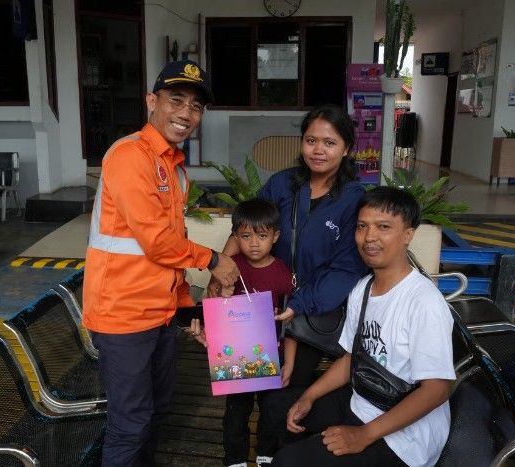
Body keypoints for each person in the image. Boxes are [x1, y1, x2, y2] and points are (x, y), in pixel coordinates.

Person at [82, 59, 239, 467]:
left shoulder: (175, 168)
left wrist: (186, 308)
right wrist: (215, 260)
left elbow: (173, 250)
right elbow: (156, 243)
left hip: (160, 313)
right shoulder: (130, 155)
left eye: (196, 106)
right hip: (123, 315)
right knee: (130, 423)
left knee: (157, 410)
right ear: (152, 101)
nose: (187, 113)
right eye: (176, 100)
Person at [271, 186, 456, 467]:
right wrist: (309, 396)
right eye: (362, 226)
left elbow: (437, 390)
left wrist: (363, 435)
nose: (369, 237)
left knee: (287, 462)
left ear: (408, 234)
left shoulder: (424, 302)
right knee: (278, 408)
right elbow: (351, 358)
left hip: (406, 439)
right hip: (364, 398)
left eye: (384, 227)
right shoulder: (363, 289)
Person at [208, 103, 368, 392]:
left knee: (284, 390)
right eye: (311, 140)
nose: (318, 150)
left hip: (313, 310)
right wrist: (221, 270)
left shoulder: (354, 200)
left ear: (346, 149)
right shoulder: (282, 183)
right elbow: (245, 228)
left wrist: (299, 303)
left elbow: (346, 269)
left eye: (329, 143)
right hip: (261, 300)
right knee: (240, 380)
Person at [220, 198, 296, 467]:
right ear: (235, 237)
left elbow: (291, 324)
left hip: (272, 355)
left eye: (262, 236)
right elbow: (219, 313)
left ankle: (266, 455)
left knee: (272, 410)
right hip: (237, 357)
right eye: (245, 236)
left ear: (275, 236)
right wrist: (222, 295)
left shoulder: (282, 274)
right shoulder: (230, 269)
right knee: (236, 411)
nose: (254, 243)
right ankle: (235, 459)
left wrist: (289, 361)